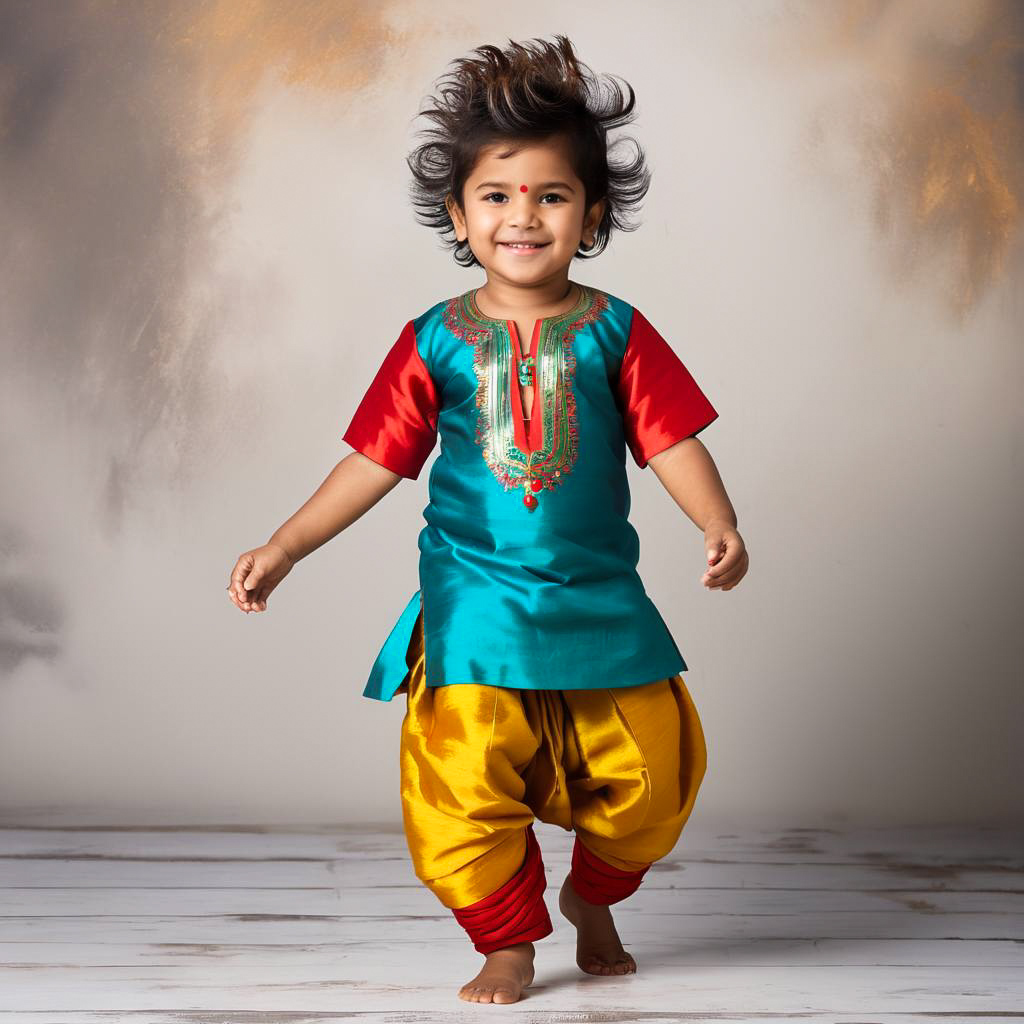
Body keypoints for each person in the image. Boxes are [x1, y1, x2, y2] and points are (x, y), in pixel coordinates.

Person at [227, 35, 748, 1006]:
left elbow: (670, 438)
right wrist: (286, 545)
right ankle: (506, 939)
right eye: (497, 197)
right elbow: (376, 459)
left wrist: (716, 520)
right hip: (473, 607)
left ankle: (594, 898)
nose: (523, 216)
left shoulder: (616, 328)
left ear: (591, 214)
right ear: (459, 216)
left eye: (551, 195)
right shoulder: (433, 338)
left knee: (655, 774)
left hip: (598, 601)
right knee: (459, 780)